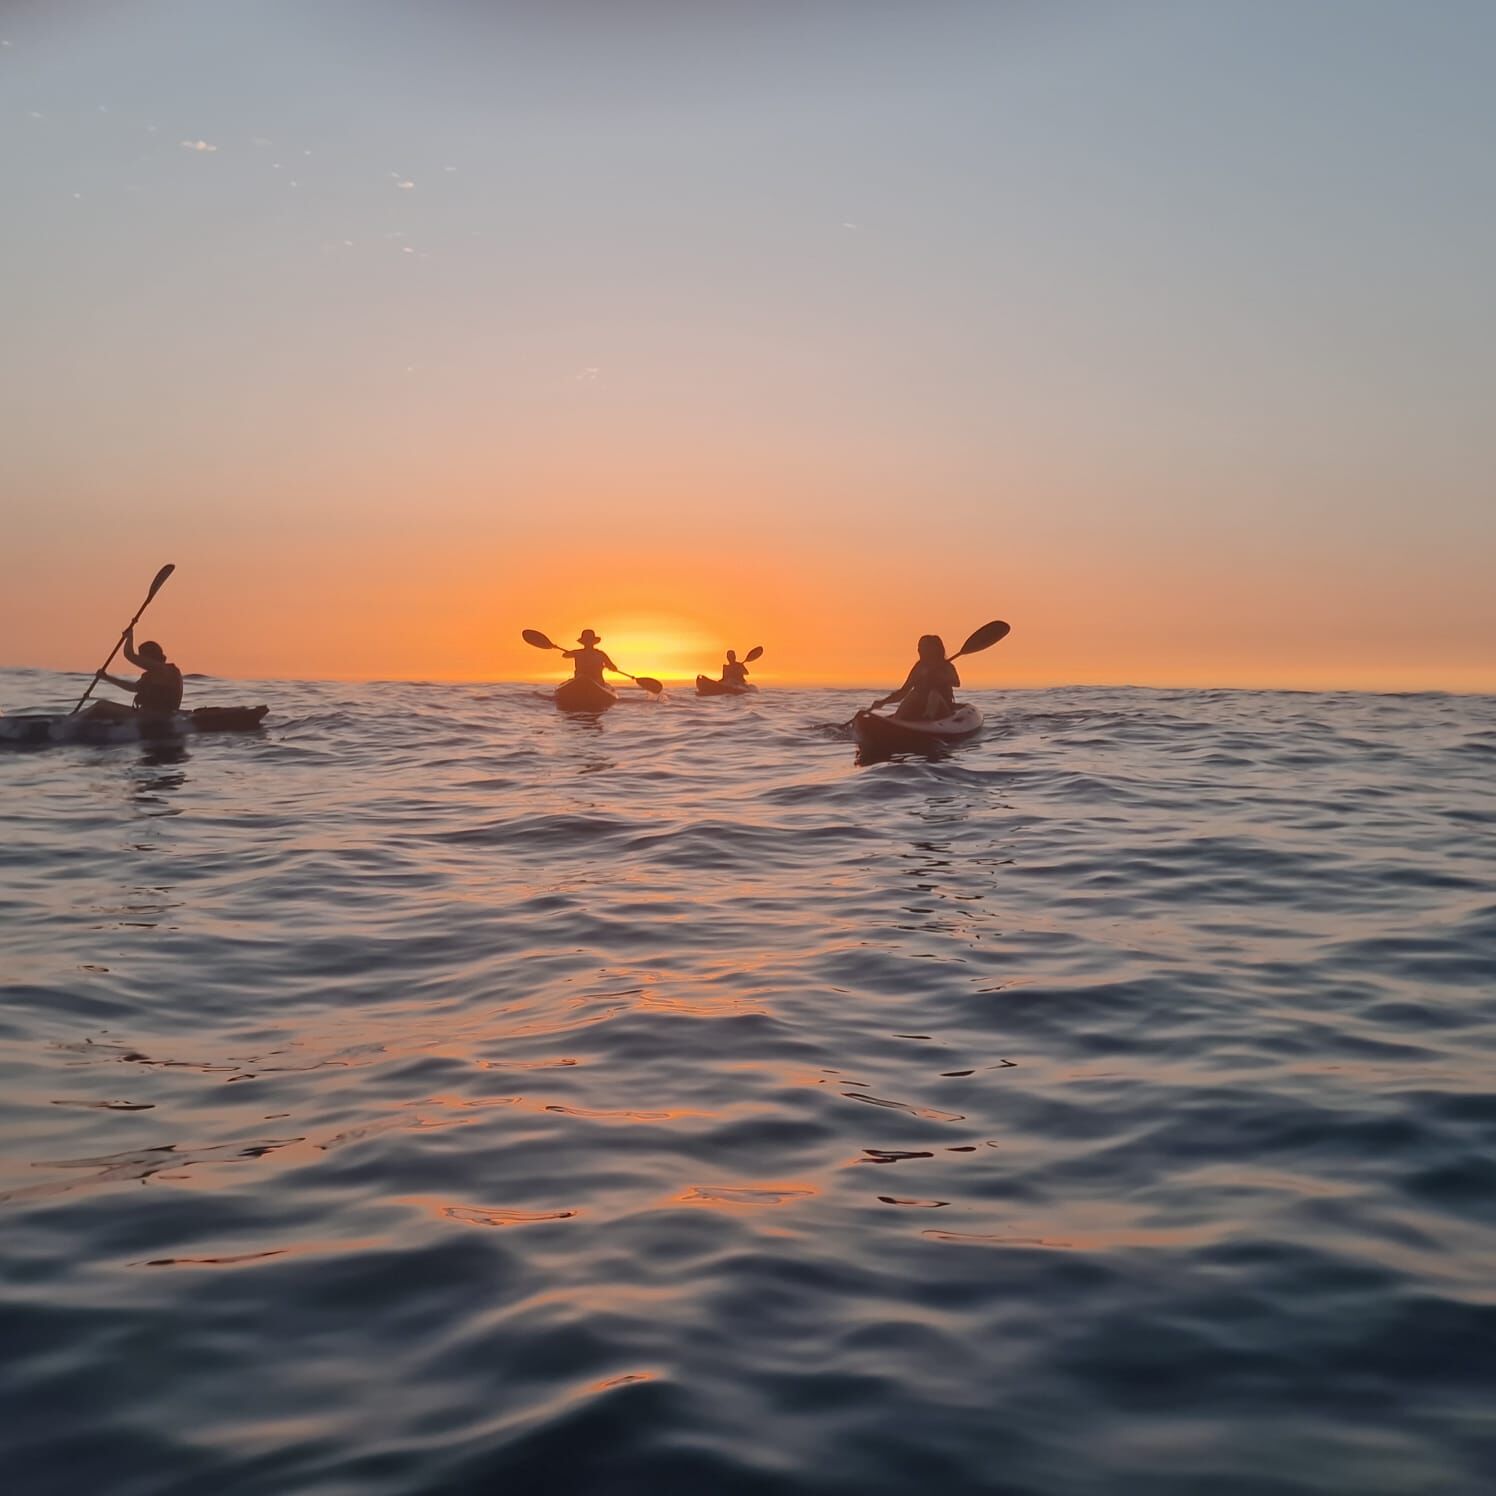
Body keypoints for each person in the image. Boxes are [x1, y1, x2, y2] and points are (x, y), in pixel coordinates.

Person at [81, 629, 184, 722]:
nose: (141, 662)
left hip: (156, 717)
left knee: (100, 706)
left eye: (142, 657)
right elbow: (132, 687)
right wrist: (106, 677)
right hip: (149, 715)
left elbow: (129, 654)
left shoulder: (165, 670)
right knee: (102, 707)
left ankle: (73, 722)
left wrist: (130, 636)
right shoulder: (153, 674)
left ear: (149, 657)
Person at [869, 634, 958, 721]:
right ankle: (897, 718)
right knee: (913, 694)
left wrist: (940, 676)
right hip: (922, 707)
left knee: (933, 694)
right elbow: (904, 691)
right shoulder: (919, 667)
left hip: (943, 709)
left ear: (933, 649)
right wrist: (883, 702)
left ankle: (928, 719)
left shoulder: (946, 666)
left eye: (923, 647)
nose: (919, 650)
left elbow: (957, 683)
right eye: (919, 647)